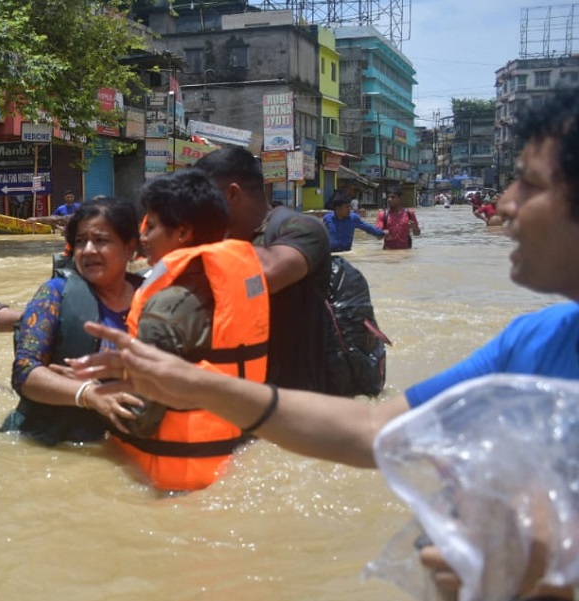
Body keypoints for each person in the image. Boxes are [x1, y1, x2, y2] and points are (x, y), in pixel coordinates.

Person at [73, 84, 579, 600]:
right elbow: (377, 430)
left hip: (306, 393)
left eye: (530, 185)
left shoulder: (296, 229)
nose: (504, 205)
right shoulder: (534, 341)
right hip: (269, 411)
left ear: (226, 197)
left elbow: (264, 275)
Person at [116, 169, 269, 491]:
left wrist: (89, 399)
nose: (143, 238)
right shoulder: (246, 282)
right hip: (238, 458)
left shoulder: (166, 307)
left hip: (176, 483)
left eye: (152, 227)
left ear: (183, 233)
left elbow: (143, 418)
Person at [0, 196, 145, 446]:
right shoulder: (55, 293)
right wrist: (88, 394)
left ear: (130, 247)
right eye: (80, 241)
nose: (88, 250)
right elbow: (25, 372)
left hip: (125, 446)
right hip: (51, 443)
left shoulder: (153, 296)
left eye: (101, 240)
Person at [193, 146, 331, 393]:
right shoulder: (221, 239)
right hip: (239, 389)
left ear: (232, 194)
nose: (198, 207)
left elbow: (268, 274)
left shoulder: (301, 227)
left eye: (204, 198)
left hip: (296, 399)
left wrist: (197, 242)